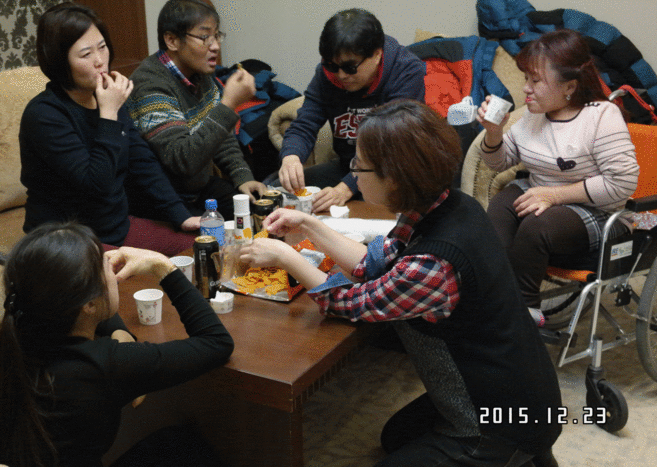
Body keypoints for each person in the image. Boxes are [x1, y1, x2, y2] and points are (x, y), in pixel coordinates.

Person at [240, 100, 563, 467]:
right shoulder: (450, 204)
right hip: (520, 387)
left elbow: (353, 303)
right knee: (395, 437)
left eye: (358, 166)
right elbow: (376, 264)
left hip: (501, 420)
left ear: (393, 176)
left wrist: (286, 258)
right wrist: (309, 224)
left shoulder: (434, 261)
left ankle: (515, 455)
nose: (353, 174)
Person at [0, 222, 234, 467]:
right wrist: (163, 267)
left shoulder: (14, 343)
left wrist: (121, 331)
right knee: (182, 445)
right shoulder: (106, 364)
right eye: (106, 267)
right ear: (88, 304)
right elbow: (217, 343)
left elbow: (100, 313)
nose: (113, 269)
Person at [476, 29, 639, 310]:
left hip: (597, 209)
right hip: (541, 191)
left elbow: (621, 184)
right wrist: (493, 133)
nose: (526, 88)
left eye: (535, 80)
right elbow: (500, 163)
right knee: (498, 211)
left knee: (537, 226)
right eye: (527, 78)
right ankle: (496, 300)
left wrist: (553, 196)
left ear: (569, 87)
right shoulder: (533, 114)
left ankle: (524, 311)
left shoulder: (601, 116)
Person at [20, 2, 199, 256]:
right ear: (60, 62)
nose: (100, 61)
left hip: (116, 227)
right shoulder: (44, 115)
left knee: (201, 248)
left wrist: (180, 215)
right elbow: (97, 185)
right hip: (65, 239)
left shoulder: (105, 96)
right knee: (131, 286)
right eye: (85, 55)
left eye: (102, 47)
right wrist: (109, 114)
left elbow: (141, 161)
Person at [273, 8, 426, 213]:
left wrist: (345, 189)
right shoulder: (327, 76)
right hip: (348, 168)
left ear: (377, 54)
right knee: (275, 191)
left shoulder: (406, 71)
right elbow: (304, 125)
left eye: (350, 67)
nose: (341, 75)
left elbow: (393, 144)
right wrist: (291, 157)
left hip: (393, 173)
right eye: (332, 66)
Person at [128, 0, 266, 222]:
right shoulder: (149, 85)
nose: (215, 46)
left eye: (216, 36)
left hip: (199, 191)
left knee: (257, 216)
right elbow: (184, 161)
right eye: (204, 37)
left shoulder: (199, 72)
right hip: (165, 203)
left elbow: (220, 135)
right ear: (172, 40)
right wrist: (228, 105)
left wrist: (242, 176)